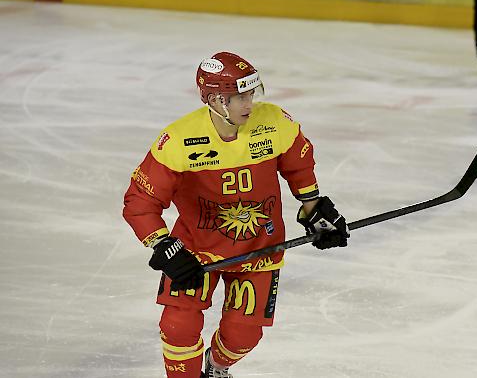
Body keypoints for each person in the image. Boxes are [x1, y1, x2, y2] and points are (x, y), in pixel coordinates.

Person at [122, 51, 350, 378]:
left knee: (244, 335)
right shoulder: (180, 140)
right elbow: (140, 201)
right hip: (196, 251)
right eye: (239, 96)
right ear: (214, 99)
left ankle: (215, 369)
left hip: (259, 247)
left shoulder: (274, 123)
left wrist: (315, 210)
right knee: (178, 326)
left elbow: (299, 166)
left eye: (251, 93)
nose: (249, 103)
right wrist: (165, 246)